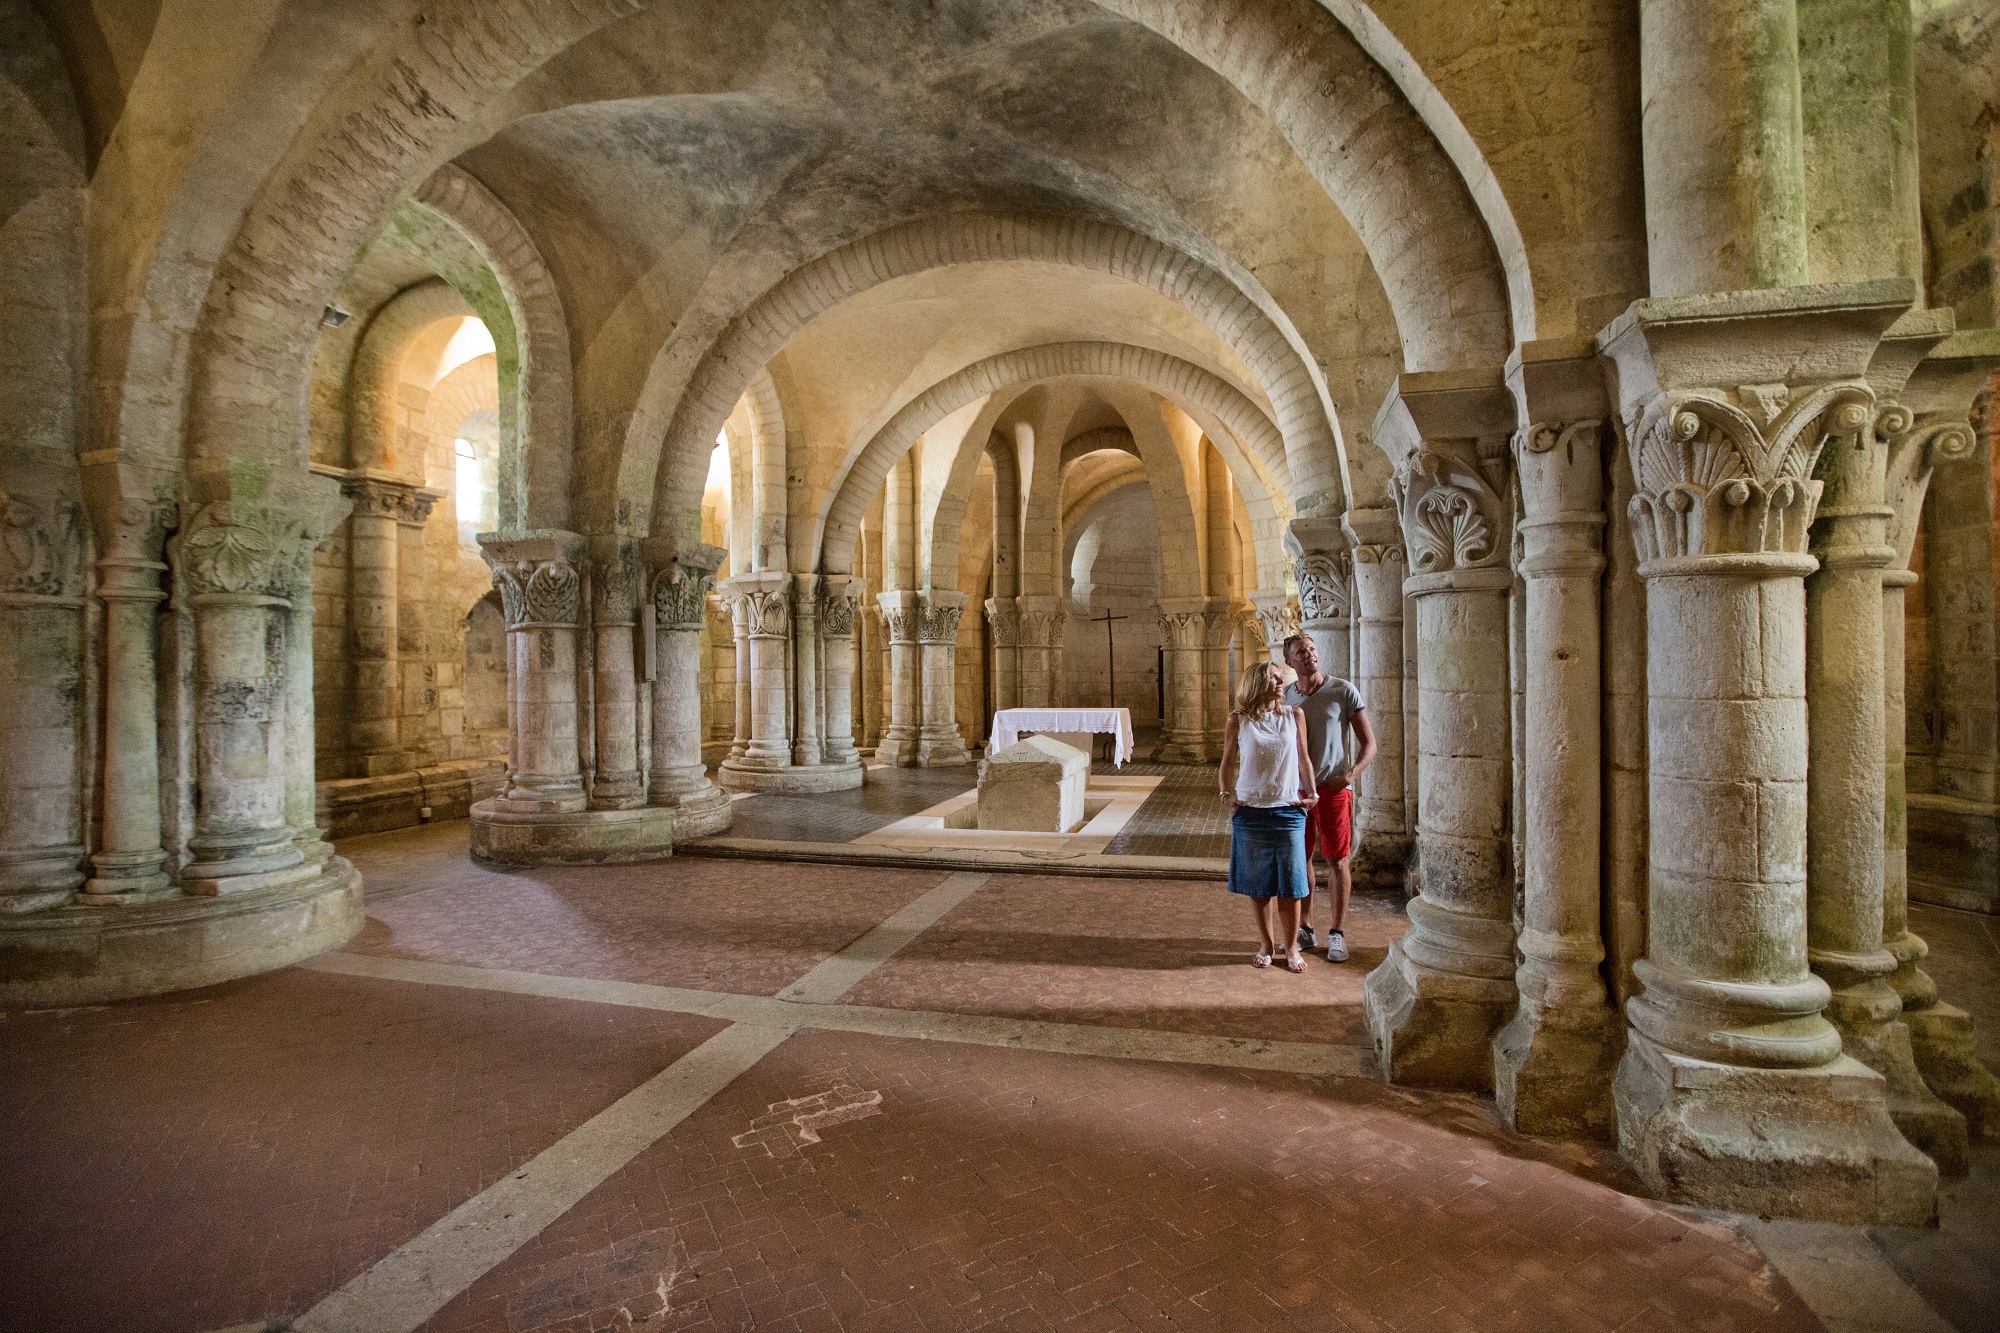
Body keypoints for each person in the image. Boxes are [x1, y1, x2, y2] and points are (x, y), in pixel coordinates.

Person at [1281, 633, 1377, 963]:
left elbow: (1370, 743)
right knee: (1301, 857)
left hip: (1333, 790)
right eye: (1300, 652)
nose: (1309, 656)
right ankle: (1306, 927)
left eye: (1312, 650)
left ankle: (1337, 933)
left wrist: (1349, 776)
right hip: (1297, 792)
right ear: (1289, 662)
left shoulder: (1342, 690)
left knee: (1336, 859)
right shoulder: (1286, 696)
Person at [1218, 660, 1319, 972]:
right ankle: (1266, 943)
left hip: (1288, 810)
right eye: (1273, 677)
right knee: (1259, 886)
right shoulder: (1238, 719)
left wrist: (1312, 793)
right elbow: (1226, 762)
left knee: (1291, 884)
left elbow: (1303, 757)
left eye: (1280, 676)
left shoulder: (1294, 715)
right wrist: (1226, 793)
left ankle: (1290, 948)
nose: (1280, 681)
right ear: (1256, 683)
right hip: (1251, 812)